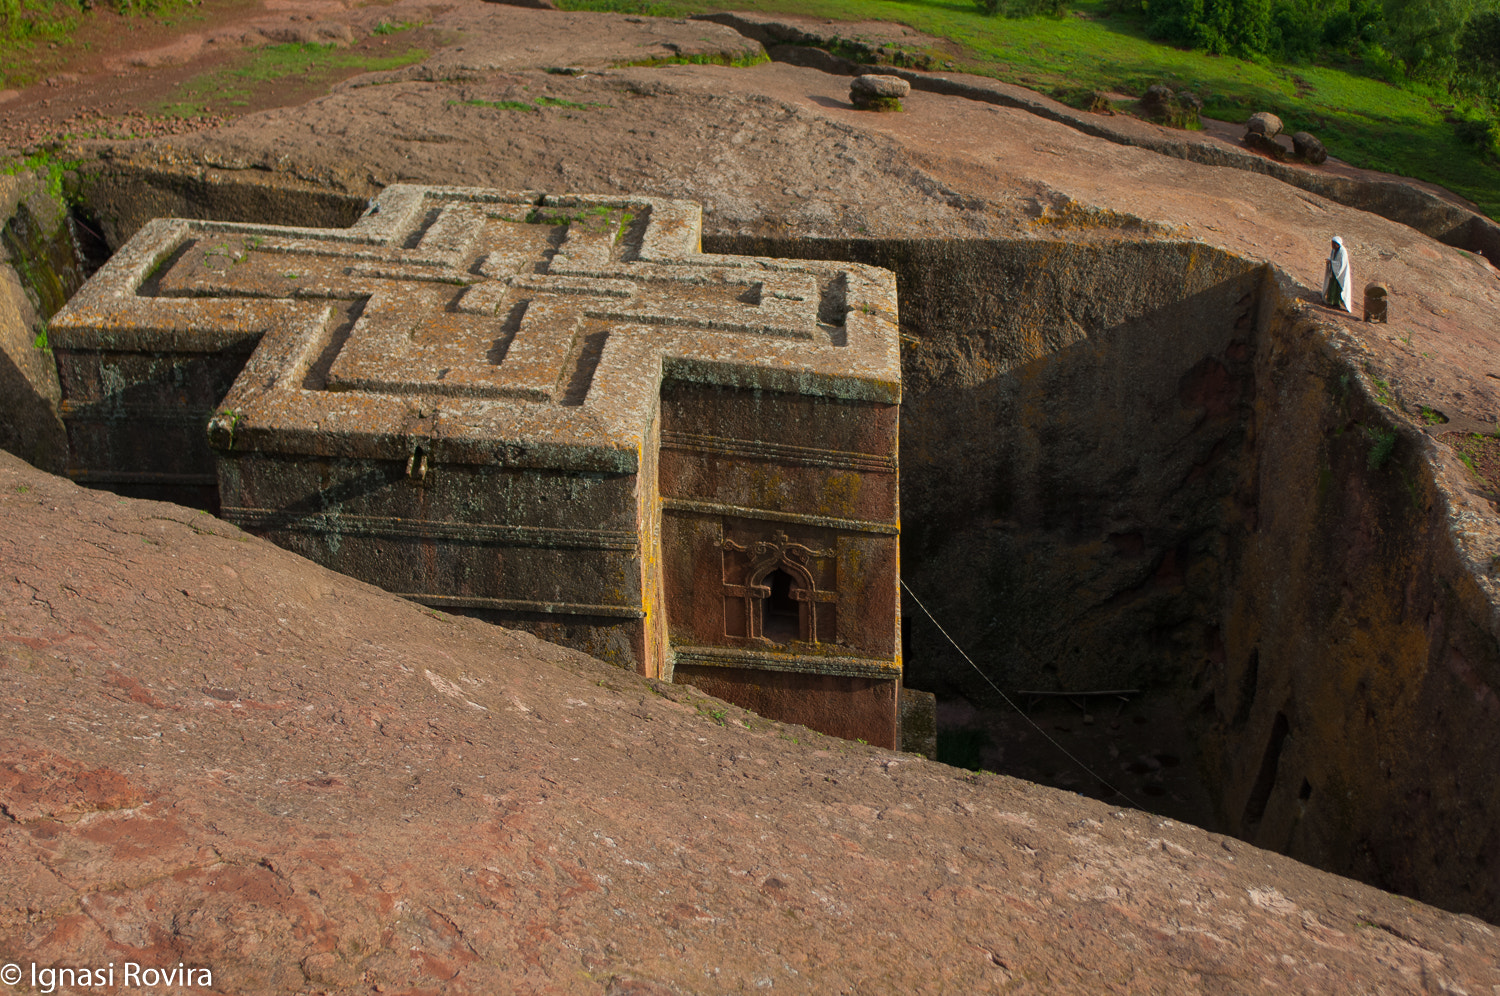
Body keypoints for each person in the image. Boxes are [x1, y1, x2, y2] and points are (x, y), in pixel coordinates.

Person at [1324, 236, 1352, 312]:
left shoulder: (1343, 252)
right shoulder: (1333, 250)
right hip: (1334, 271)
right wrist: (1330, 261)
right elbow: (1333, 258)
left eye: (1333, 244)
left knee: (1338, 287)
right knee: (1332, 285)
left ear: (1337, 244)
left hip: (1340, 273)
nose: (1332, 245)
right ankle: (1331, 301)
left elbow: (1342, 264)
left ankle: (1337, 303)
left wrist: (1332, 262)